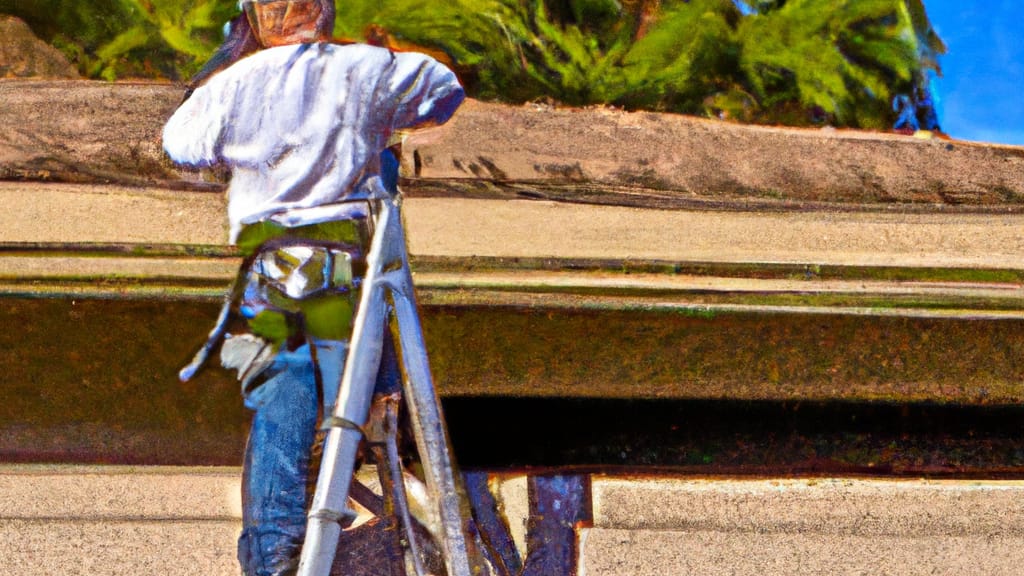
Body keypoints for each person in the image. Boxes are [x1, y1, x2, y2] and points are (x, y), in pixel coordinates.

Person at [162, 1, 464, 574]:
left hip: (279, 267)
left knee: (286, 396)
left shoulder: (236, 83)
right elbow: (442, 89)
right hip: (350, 268)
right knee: (338, 392)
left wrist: (257, 136)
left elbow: (183, 144)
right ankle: (359, 519)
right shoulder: (364, 68)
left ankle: (276, 554)